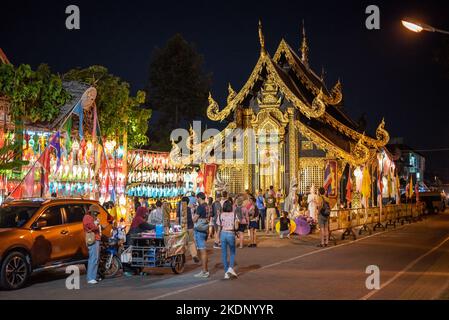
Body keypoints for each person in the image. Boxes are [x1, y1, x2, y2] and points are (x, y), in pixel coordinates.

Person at [217, 199, 238, 279]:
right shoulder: (234, 214)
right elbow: (236, 227)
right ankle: (230, 268)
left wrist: (217, 238)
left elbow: (218, 228)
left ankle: (226, 272)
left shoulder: (220, 215)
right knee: (232, 252)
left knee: (224, 254)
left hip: (223, 234)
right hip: (230, 234)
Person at [176, 196, 199, 263]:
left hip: (182, 228)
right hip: (190, 228)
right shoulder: (190, 209)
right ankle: (194, 255)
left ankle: (181, 256)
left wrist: (176, 227)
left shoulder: (180, 210)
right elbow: (193, 218)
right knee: (191, 242)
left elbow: (177, 220)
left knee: (182, 242)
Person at [83, 205, 102, 284]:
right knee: (93, 258)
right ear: (92, 212)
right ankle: (91, 278)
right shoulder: (87, 217)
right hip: (93, 240)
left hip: (96, 239)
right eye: (96, 213)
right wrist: (97, 224)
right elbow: (91, 226)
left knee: (95, 258)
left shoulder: (90, 218)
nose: (97, 214)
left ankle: (93, 276)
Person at [192, 192, 209, 278]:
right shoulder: (207, 206)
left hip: (199, 230)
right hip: (205, 229)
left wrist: (192, 212)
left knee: (202, 251)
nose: (196, 200)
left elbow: (194, 219)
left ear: (199, 198)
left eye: (196, 198)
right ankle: (205, 270)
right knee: (203, 250)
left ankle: (204, 271)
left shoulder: (200, 207)